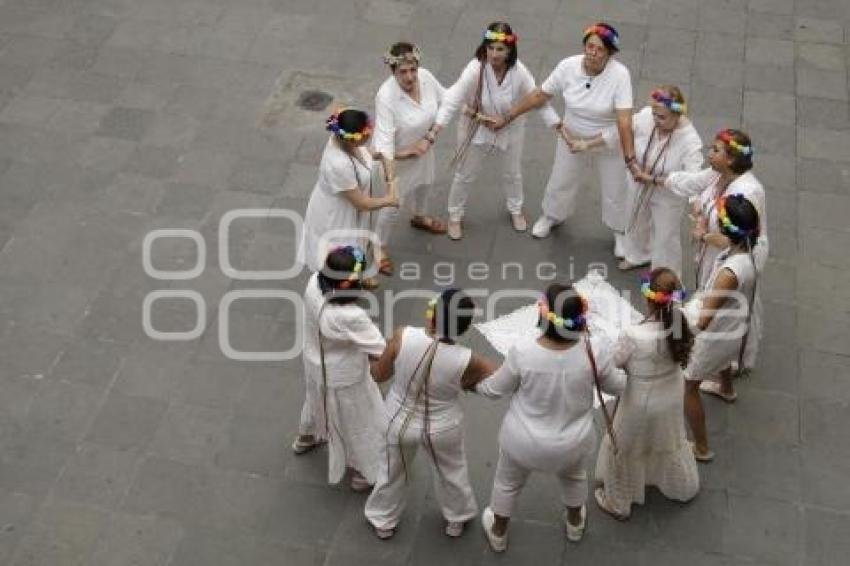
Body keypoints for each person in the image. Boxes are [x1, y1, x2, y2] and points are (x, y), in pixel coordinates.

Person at [470, 284, 626, 552]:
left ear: (544, 315)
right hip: (572, 443)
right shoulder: (595, 350)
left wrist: (472, 384)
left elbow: (496, 389)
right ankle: (575, 524)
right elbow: (617, 386)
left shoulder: (523, 351)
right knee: (575, 478)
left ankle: (498, 532)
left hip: (522, 442)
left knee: (507, 482)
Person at [492, 22, 636, 254]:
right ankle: (552, 216)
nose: (593, 53)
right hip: (572, 134)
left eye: (600, 49)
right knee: (561, 178)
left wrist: (630, 158)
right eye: (590, 46)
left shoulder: (620, 75)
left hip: (607, 140)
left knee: (615, 187)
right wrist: (507, 117)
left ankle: (619, 231)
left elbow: (624, 121)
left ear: (610, 53)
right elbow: (540, 95)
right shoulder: (568, 66)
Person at [364, 289, 497, 539]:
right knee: (451, 471)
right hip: (442, 428)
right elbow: (498, 381)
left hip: (396, 420)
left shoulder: (403, 335)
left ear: (432, 316)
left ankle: (383, 520)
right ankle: (456, 520)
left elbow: (379, 375)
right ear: (463, 327)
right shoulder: (468, 359)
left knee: (392, 470)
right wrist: (467, 384)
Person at [425, 21, 561, 240]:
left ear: (510, 51)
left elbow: (537, 97)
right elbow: (452, 98)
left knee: (512, 173)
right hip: (475, 127)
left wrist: (557, 125)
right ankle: (455, 215)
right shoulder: (474, 68)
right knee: (465, 174)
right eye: (490, 48)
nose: (494, 54)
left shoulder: (519, 72)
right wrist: (434, 131)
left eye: (500, 49)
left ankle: (515, 208)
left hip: (511, 129)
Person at [594, 268, 699, 520]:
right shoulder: (682, 320)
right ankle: (675, 483)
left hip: (641, 399)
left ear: (649, 299)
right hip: (672, 392)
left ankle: (618, 502)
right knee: (668, 437)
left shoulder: (633, 334)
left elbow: (615, 362)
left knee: (626, 445)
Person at [291, 246, 387, 491]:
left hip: (314, 362)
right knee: (359, 419)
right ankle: (367, 469)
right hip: (345, 375)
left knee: (315, 399)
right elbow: (379, 349)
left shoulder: (314, 282)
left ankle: (308, 435)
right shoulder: (348, 315)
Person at [683, 195, 762, 462]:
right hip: (734, 330)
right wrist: (704, 236)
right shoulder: (748, 251)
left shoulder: (729, 273)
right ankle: (726, 388)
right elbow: (722, 242)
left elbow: (705, 319)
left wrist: (681, 322)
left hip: (715, 334)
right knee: (724, 359)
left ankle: (702, 446)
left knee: (689, 385)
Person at [296, 108, 399, 280]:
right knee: (344, 250)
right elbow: (362, 204)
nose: (369, 138)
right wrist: (389, 199)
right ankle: (346, 283)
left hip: (348, 204)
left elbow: (367, 152)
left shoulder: (342, 138)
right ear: (352, 140)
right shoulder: (339, 165)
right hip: (338, 213)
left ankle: (360, 274)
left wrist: (379, 157)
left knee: (360, 237)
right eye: (366, 136)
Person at [372, 42, 448, 276]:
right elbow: (383, 143)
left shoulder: (425, 78)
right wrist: (394, 172)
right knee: (392, 207)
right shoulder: (386, 97)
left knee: (426, 183)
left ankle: (420, 216)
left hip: (423, 151)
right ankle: (379, 246)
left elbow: (447, 99)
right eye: (403, 72)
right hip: (396, 161)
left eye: (412, 69)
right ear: (393, 71)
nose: (410, 76)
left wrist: (470, 112)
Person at [661, 129, 768, 293]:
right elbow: (691, 182)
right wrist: (655, 179)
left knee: (716, 303)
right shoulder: (718, 173)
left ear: (731, 159)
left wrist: (703, 235)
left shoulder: (749, 193)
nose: (709, 154)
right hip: (710, 254)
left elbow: (738, 241)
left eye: (716, 150)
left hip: (729, 261)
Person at [615, 86, 704, 275]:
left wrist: (696, 203)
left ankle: (664, 275)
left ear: (677, 115)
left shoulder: (690, 141)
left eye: (662, 117)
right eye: (655, 114)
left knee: (665, 235)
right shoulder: (647, 115)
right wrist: (631, 164)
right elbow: (625, 129)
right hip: (637, 181)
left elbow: (693, 177)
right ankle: (636, 255)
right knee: (635, 218)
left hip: (667, 195)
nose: (656, 120)